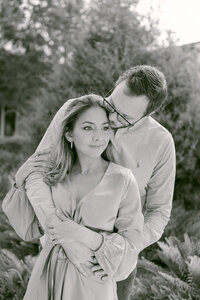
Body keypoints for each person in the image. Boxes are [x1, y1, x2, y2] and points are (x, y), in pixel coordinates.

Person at [13, 65, 176, 299]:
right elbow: (36, 172)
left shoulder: (161, 143)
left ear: (146, 116)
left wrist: (114, 250)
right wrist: (66, 238)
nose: (109, 118)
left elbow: (159, 211)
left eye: (123, 118)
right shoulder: (76, 110)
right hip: (58, 251)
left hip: (110, 269)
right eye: (110, 104)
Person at [18, 94, 144, 299]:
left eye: (105, 128)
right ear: (69, 134)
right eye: (87, 128)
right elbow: (24, 219)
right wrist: (20, 178)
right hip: (47, 278)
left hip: (92, 285)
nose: (99, 137)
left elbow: (130, 248)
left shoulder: (123, 180)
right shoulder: (53, 176)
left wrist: (80, 234)